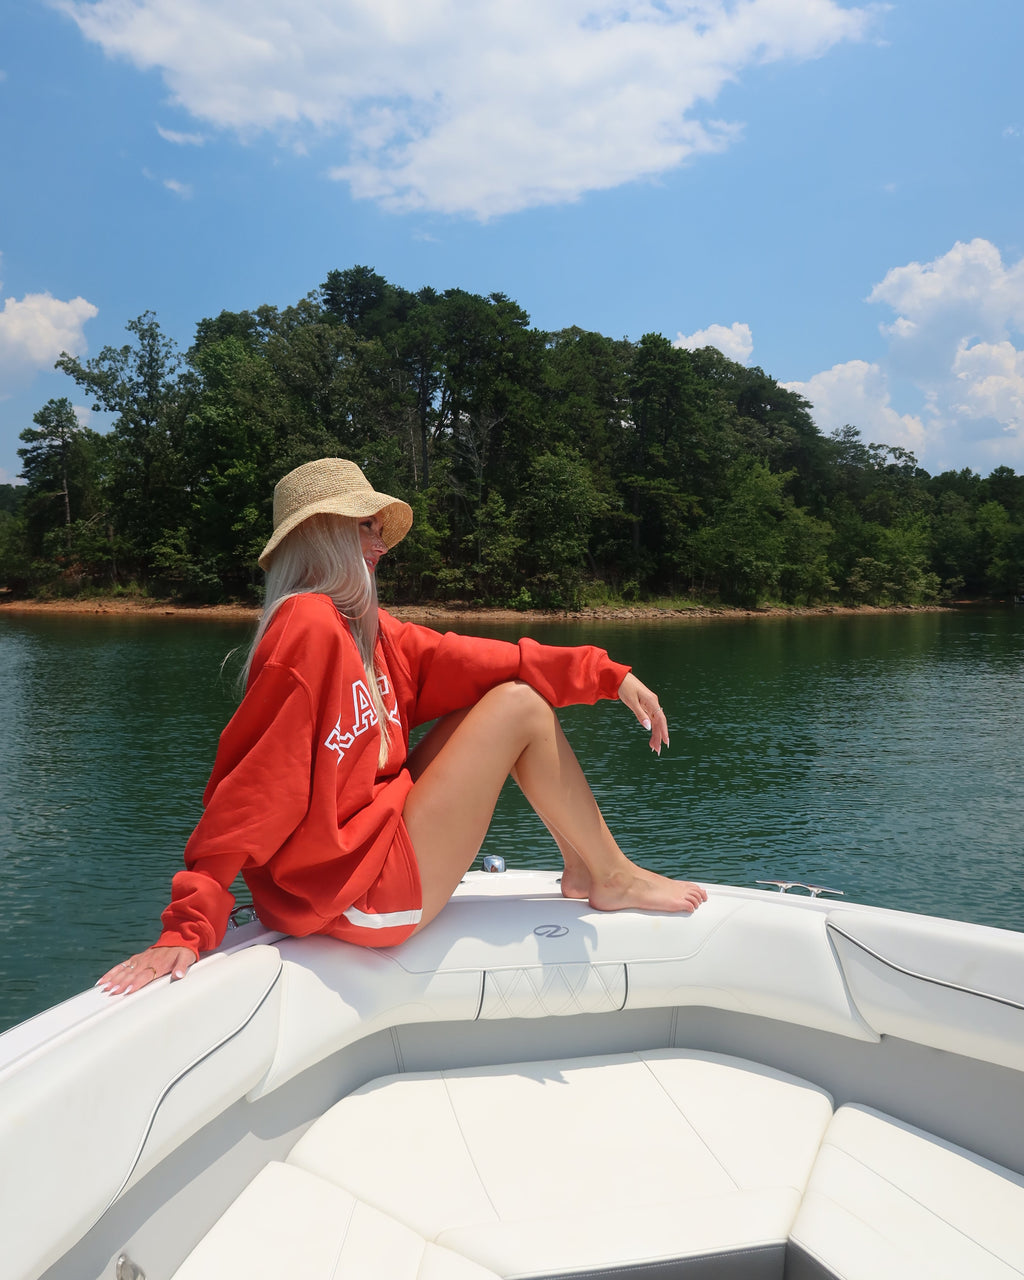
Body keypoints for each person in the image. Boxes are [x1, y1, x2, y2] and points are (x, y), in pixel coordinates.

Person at [99, 458, 706, 995]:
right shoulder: (306, 626)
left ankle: (584, 865)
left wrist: (605, 674)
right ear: (319, 534)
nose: (380, 541)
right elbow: (256, 784)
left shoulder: (367, 631)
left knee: (503, 696)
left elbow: (478, 660)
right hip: (357, 900)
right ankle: (613, 876)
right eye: (364, 525)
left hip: (369, 858)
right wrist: (189, 924)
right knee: (519, 706)